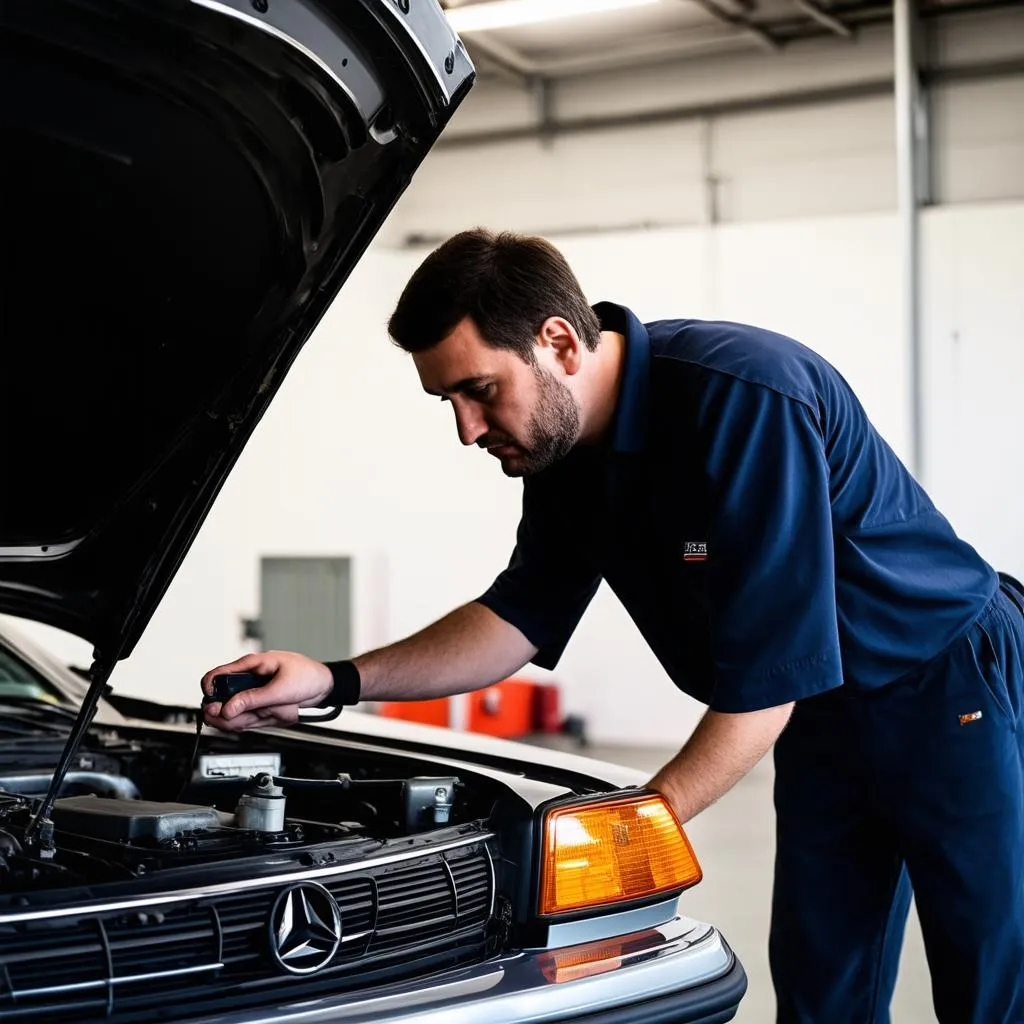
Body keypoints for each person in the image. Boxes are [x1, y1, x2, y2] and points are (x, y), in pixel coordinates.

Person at [201, 228, 1023, 1023]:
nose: (467, 430)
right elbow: (513, 620)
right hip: (818, 709)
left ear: (559, 343)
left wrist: (622, 841)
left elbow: (771, 679)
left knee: (986, 980)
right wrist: (335, 680)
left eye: (480, 390)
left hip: (944, 682)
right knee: (820, 987)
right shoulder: (562, 455)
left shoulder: (743, 396)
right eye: (445, 401)